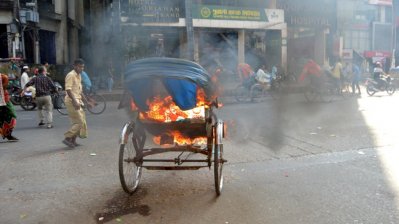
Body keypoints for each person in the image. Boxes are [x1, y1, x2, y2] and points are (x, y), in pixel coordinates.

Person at [62, 59, 88, 148]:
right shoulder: (71, 75)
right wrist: (74, 101)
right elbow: (68, 89)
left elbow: (79, 91)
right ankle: (67, 138)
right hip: (71, 101)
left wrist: (87, 101)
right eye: (80, 67)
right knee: (79, 122)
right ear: (75, 66)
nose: (82, 69)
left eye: (83, 67)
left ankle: (73, 141)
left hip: (78, 101)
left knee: (80, 122)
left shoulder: (79, 75)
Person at [0, 74, 18, 141]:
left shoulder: (3, 77)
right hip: (3, 100)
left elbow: (5, 85)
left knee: (11, 115)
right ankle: (8, 135)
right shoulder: (3, 77)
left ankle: (8, 134)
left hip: (5, 100)